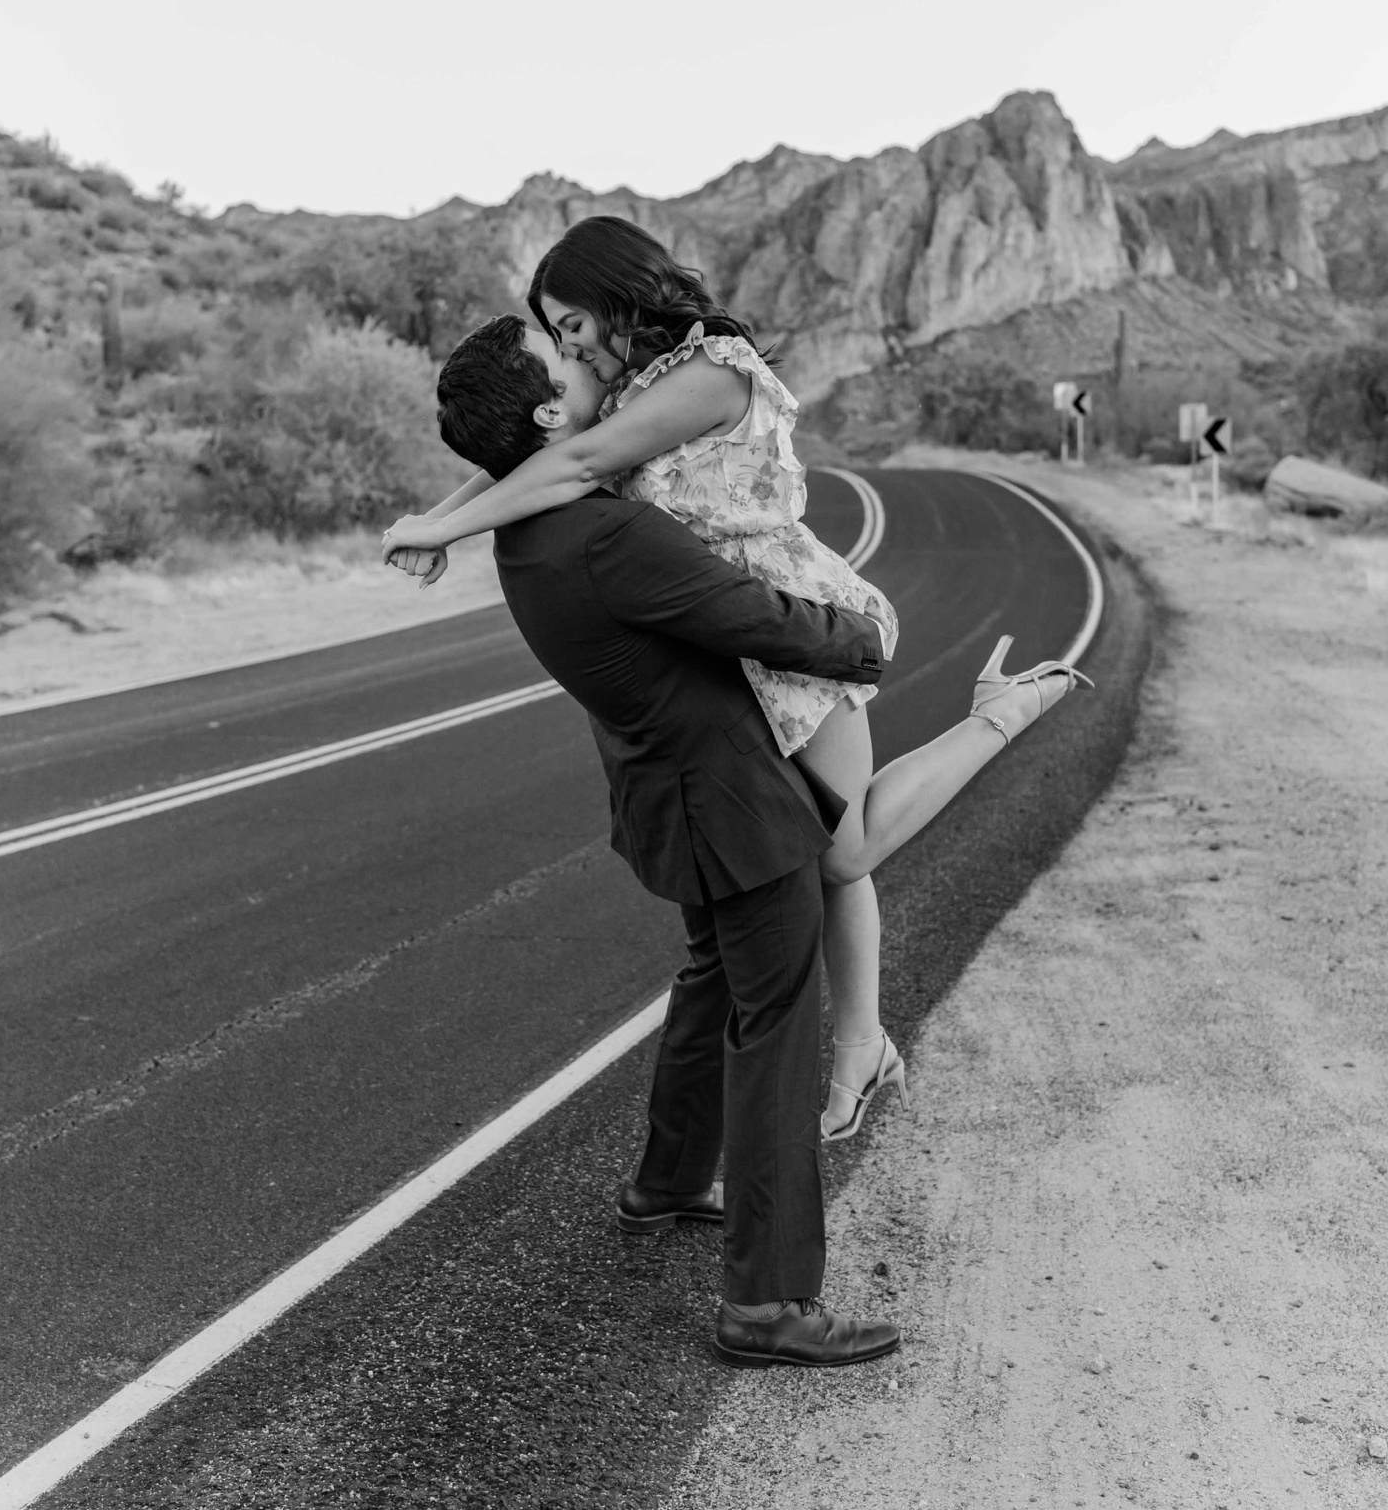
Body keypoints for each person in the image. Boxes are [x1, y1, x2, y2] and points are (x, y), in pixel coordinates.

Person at [384, 217, 1090, 1141]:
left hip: (796, 619)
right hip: (727, 628)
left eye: (571, 323)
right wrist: (430, 518)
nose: (570, 345)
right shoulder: (629, 380)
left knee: (847, 849)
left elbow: (583, 458)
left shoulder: (710, 371)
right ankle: (865, 1047)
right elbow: (541, 451)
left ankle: (1007, 711)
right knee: (830, 851)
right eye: (556, 335)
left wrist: (439, 532)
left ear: (617, 292)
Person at [416, 311, 900, 1367]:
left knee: (715, 978)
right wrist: (861, 640)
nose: (592, 365)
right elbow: (752, 615)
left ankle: (667, 1181)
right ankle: (768, 1305)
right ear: (550, 413)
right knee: (774, 1026)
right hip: (730, 804)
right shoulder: (604, 533)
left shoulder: (530, 532)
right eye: (567, 363)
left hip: (666, 797)